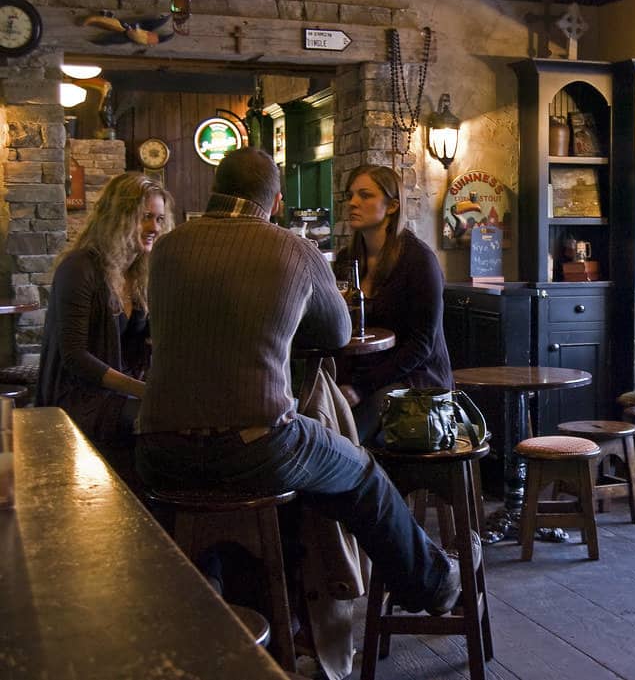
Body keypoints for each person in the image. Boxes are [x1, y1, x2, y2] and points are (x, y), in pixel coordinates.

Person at [135, 147, 465, 617]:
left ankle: (220, 603)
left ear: (215, 191)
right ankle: (431, 585)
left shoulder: (166, 248)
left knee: (211, 507)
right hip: (256, 446)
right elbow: (337, 333)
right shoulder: (293, 248)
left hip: (158, 451)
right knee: (362, 473)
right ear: (274, 203)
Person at [36, 172, 172, 461]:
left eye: (160, 219)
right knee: (162, 424)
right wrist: (142, 390)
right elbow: (75, 357)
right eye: (145, 217)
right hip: (77, 399)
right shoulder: (79, 267)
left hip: (117, 395)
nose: (154, 228)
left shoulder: (137, 274)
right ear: (118, 217)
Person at [338, 164, 454, 442]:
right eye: (350, 195)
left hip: (416, 383)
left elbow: (421, 345)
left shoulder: (418, 260)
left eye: (365, 195)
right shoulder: (347, 259)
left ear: (391, 206)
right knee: (314, 424)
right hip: (363, 379)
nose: (353, 203)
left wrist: (360, 388)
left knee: (345, 440)